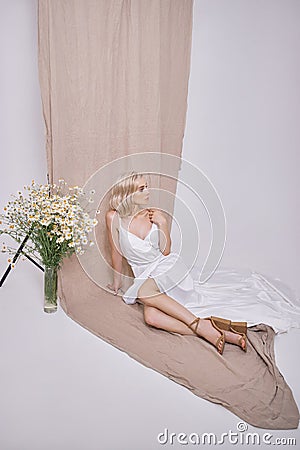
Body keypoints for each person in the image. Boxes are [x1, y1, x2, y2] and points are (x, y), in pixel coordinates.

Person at [105, 170, 248, 355]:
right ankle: (219, 333)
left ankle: (202, 326)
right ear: (128, 193)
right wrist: (116, 283)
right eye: (142, 188)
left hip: (166, 266)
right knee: (152, 318)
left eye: (147, 186)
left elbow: (165, 252)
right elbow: (115, 251)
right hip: (145, 276)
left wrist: (163, 224)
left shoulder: (153, 215)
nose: (148, 191)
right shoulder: (113, 217)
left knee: (144, 293)